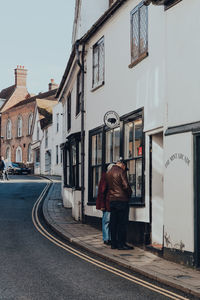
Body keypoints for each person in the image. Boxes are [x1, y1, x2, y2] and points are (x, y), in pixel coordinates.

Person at [106, 158, 133, 250]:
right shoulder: (121, 171)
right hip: (122, 201)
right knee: (122, 223)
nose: (125, 170)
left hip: (112, 201)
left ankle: (114, 244)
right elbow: (126, 186)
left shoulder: (109, 172)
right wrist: (130, 194)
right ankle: (122, 244)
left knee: (113, 223)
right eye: (125, 168)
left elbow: (107, 187)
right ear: (123, 165)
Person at [96, 164, 115, 245]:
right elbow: (102, 192)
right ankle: (106, 238)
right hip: (106, 204)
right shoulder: (106, 177)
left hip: (109, 203)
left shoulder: (108, 177)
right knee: (106, 221)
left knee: (108, 221)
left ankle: (108, 238)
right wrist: (103, 205)